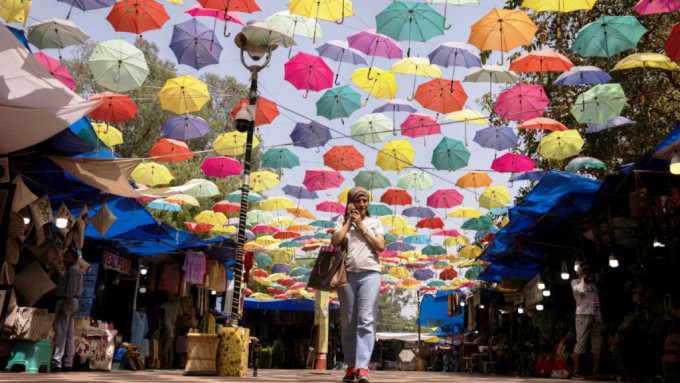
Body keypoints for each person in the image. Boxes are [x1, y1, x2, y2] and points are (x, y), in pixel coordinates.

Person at [331, 187, 385, 383]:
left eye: (365, 201)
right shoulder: (340, 221)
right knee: (348, 323)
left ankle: (362, 368)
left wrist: (361, 226)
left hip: (370, 275)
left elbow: (380, 246)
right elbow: (335, 241)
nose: (362, 204)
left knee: (366, 320)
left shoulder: (375, 223)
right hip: (346, 276)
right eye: (358, 201)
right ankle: (351, 366)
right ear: (350, 203)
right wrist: (347, 221)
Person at [51, 248, 83, 373]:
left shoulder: (73, 270)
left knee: (61, 332)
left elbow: (70, 290)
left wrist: (64, 305)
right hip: (71, 302)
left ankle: (57, 362)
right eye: (65, 257)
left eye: (68, 257)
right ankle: (67, 362)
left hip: (67, 302)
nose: (65, 259)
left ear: (75, 259)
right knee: (69, 334)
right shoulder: (73, 270)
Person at [571, 261, 602, 380]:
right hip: (583, 314)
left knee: (597, 344)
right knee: (581, 342)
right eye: (584, 269)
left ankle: (595, 372)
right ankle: (576, 371)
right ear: (579, 271)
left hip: (596, 315)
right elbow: (580, 291)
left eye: (588, 269)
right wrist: (582, 277)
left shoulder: (593, 284)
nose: (587, 271)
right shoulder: (575, 282)